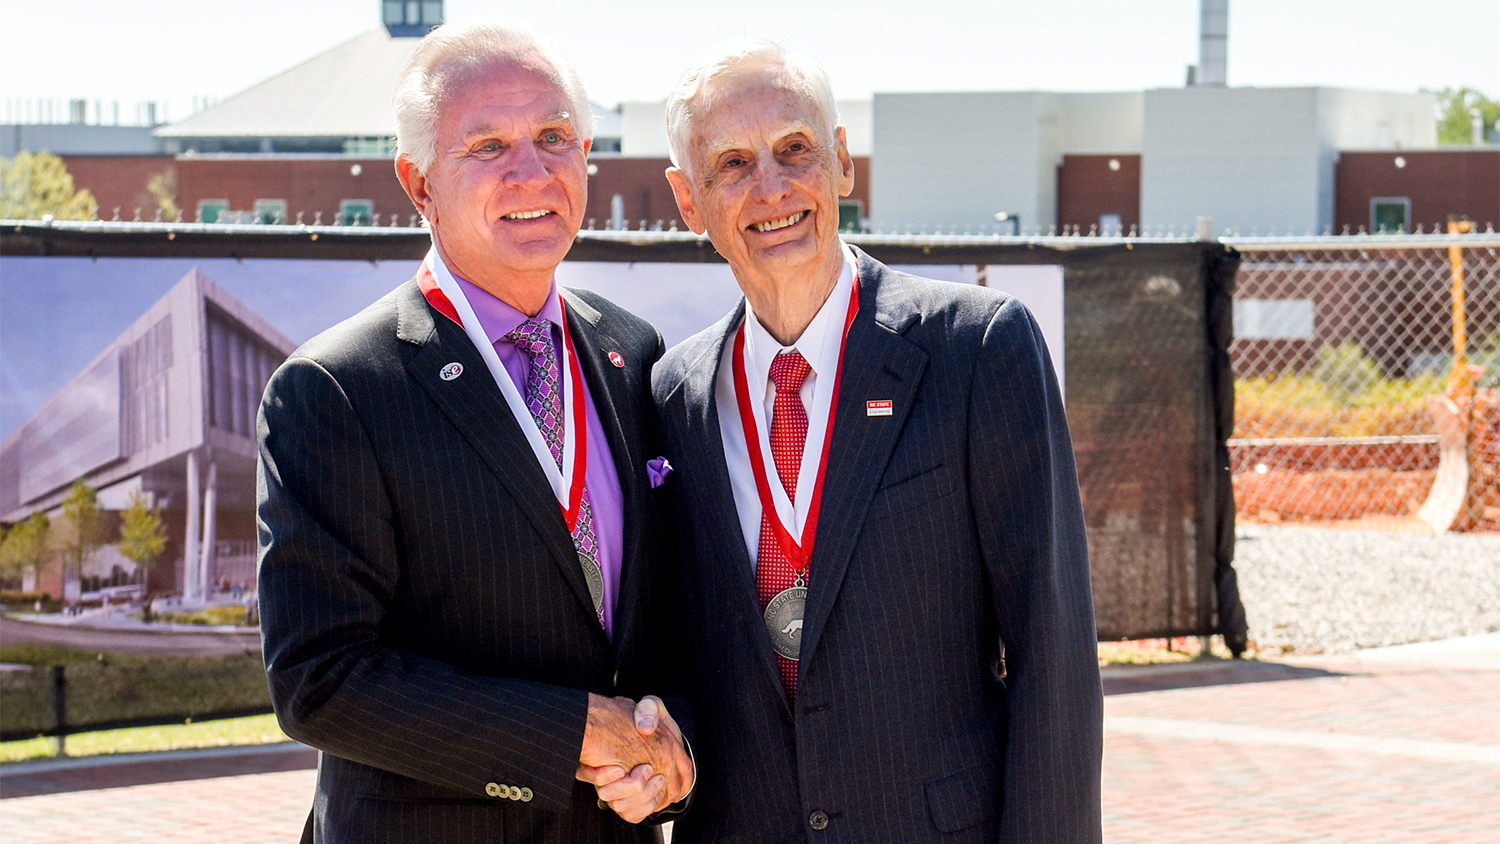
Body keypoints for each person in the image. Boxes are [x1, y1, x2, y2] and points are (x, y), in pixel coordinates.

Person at [651, 40, 1103, 843]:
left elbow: (1053, 655)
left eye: (796, 150)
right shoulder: (674, 395)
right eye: (732, 164)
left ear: (842, 164)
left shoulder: (976, 349)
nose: (772, 188)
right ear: (689, 202)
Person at [256, 21, 691, 843]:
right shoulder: (337, 389)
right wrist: (567, 735)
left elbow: (670, 616)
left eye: (555, 137)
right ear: (418, 183)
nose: (532, 170)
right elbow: (320, 678)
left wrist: (677, 749)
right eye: (487, 145)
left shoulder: (633, 355)